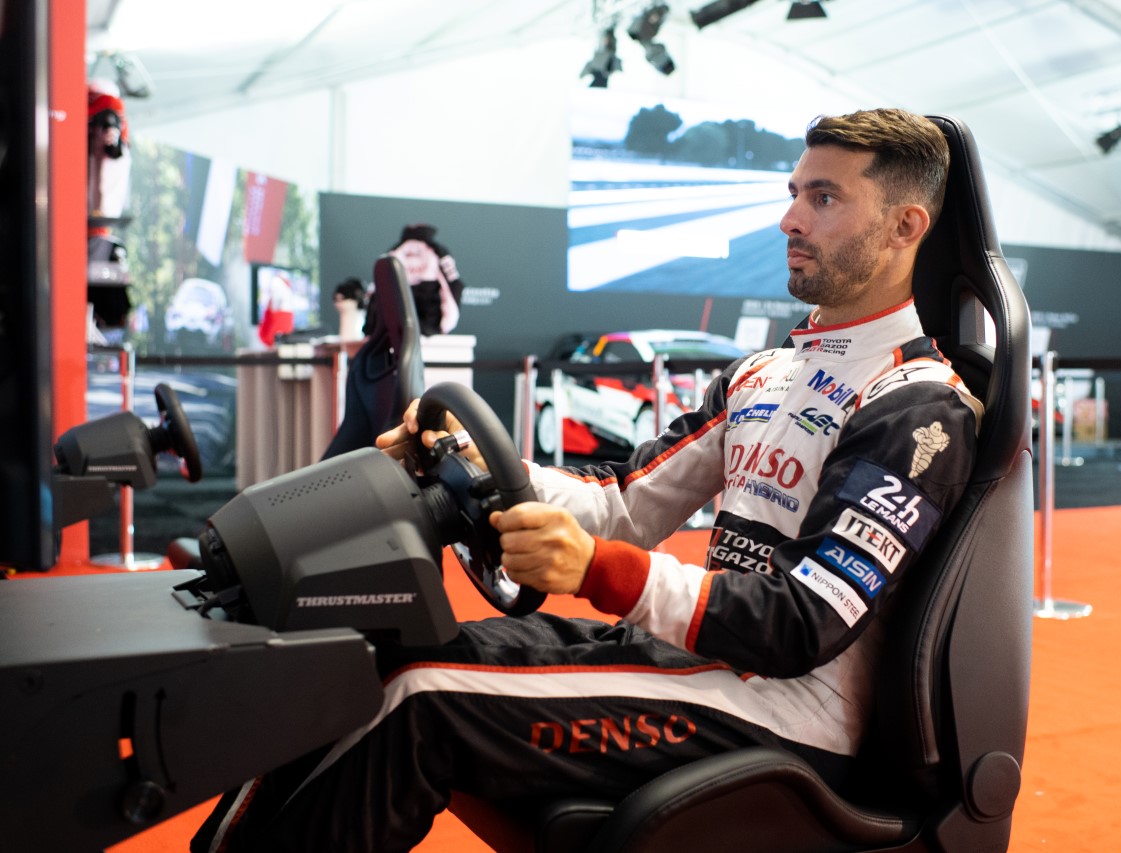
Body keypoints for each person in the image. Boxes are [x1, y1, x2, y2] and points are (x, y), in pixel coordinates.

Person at [192, 108, 984, 852]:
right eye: (794, 193)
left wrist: (599, 570)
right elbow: (625, 502)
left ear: (905, 226)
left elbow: (804, 618)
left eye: (823, 198)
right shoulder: (764, 372)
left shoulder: (917, 406)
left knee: (421, 698)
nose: (790, 220)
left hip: (788, 711)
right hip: (694, 664)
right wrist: (468, 458)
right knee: (367, 662)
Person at [387, 223, 464, 336]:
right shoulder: (439, 251)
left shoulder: (393, 252)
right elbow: (454, 283)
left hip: (400, 314)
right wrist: (446, 323)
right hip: (430, 316)